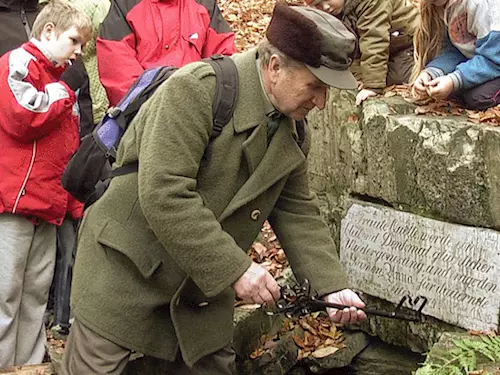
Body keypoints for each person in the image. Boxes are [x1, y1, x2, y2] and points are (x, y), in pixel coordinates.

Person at [62, 4, 367, 374]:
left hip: (199, 298)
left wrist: (330, 287)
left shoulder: (292, 130)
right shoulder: (196, 91)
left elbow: (298, 210)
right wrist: (238, 270)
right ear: (274, 68)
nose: (321, 103)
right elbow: (164, 193)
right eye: (315, 87)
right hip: (126, 282)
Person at [0, 0, 92, 367]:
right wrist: (64, 90)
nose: (79, 53)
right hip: (14, 206)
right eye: (74, 41)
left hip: (47, 208)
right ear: (49, 32)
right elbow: (23, 116)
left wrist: (73, 204)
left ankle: (29, 366)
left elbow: (65, 153)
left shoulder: (60, 82)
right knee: (5, 295)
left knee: (35, 297)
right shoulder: (18, 63)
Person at [96, 0, 237, 106]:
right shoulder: (125, 5)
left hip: (199, 109)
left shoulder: (204, 4)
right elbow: (118, 71)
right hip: (142, 117)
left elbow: (224, 61)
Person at [307, 0, 419, 105]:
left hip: (410, 44)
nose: (326, 7)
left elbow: (374, 40)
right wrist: (359, 76)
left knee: (399, 76)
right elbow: (348, 48)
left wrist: (372, 86)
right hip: (389, 47)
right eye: (318, 4)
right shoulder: (334, 11)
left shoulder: (372, 2)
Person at [412, 0, 500, 110]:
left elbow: (494, 58)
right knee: (453, 92)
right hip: (487, 62)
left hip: (495, 61)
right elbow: (457, 50)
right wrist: (432, 73)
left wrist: (454, 80)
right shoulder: (446, 7)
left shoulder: (482, 5)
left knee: (478, 97)